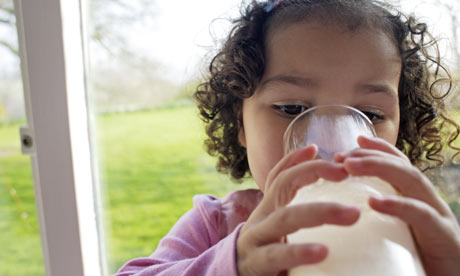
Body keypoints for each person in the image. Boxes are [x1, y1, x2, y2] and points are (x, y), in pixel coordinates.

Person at [115, 0, 460, 275]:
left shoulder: (410, 224)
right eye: (292, 108)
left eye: (369, 115)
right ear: (241, 124)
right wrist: (234, 263)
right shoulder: (217, 225)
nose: (331, 146)